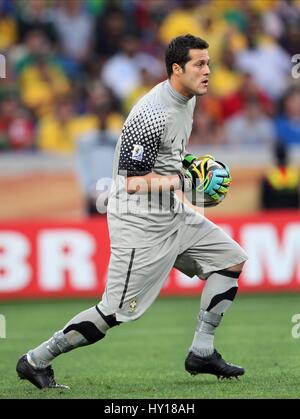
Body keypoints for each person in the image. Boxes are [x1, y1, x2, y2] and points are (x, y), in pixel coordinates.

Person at [16, 34, 248, 389]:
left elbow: (167, 157)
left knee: (230, 259)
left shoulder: (186, 98)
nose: (208, 71)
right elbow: (133, 182)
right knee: (113, 313)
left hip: (169, 211)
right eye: (200, 64)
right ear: (176, 69)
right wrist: (188, 180)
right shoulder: (151, 113)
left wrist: (192, 167)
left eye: (208, 63)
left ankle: (201, 351)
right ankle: (36, 359)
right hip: (138, 221)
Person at [260, 142, 300, 209]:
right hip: (291, 213)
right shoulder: (294, 175)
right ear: (287, 155)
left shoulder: (269, 176)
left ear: (275, 156)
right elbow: (296, 200)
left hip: (274, 214)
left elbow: (264, 201)